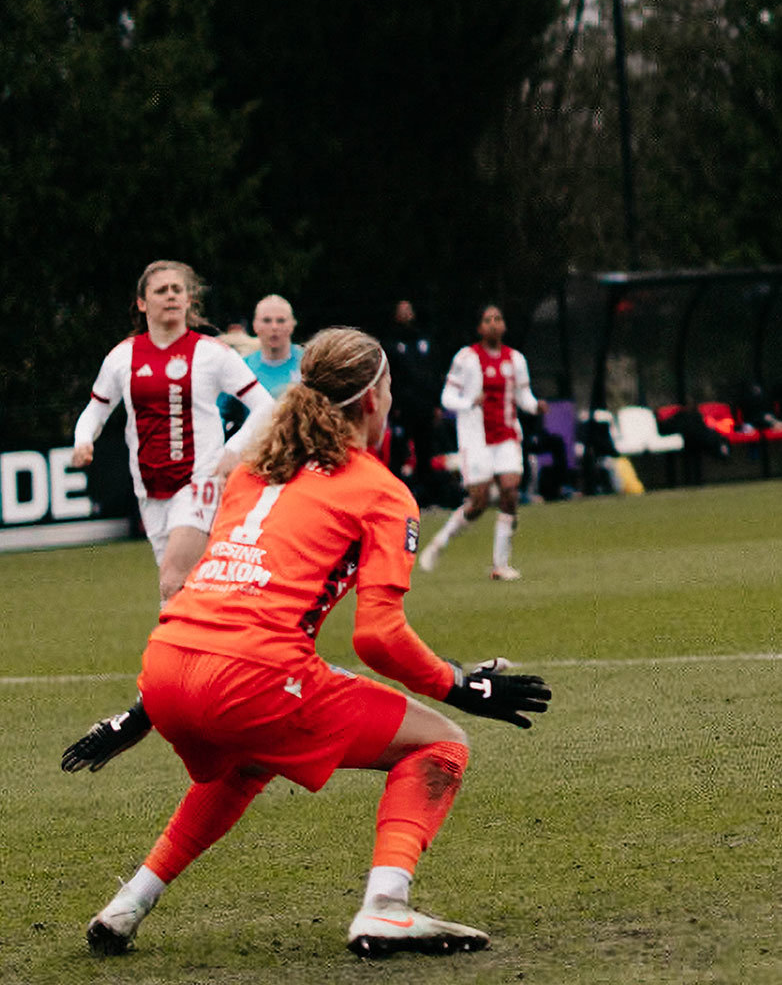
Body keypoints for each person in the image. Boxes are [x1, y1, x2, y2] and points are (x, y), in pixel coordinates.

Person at [76, 327, 551, 959]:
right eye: (387, 388)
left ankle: (128, 904)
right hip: (248, 675)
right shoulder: (380, 490)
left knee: (251, 756)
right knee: (442, 742)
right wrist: (461, 686)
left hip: (165, 671)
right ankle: (386, 906)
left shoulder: (252, 474)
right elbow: (378, 635)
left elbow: (220, 598)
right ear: (374, 401)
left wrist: (138, 715)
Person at [72, 262, 278, 604]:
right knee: (185, 592)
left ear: (188, 300)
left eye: (176, 290)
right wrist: (82, 441)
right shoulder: (122, 357)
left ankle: (166, 655)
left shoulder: (212, 353)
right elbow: (96, 408)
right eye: (160, 290)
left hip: (200, 481)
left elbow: (265, 406)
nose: (170, 296)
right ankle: (209, 648)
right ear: (142, 303)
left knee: (172, 580)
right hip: (149, 487)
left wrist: (234, 450)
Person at [417, 305, 546, 580]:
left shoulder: (516, 360)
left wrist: (536, 407)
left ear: (504, 326)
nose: (493, 324)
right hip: (476, 439)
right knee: (479, 502)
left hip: (507, 435)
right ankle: (440, 542)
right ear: (479, 328)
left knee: (510, 492)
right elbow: (447, 397)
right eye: (488, 320)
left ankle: (500, 564)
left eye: (498, 319)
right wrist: (468, 402)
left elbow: (524, 397)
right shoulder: (466, 358)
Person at [383, 300, 442, 502]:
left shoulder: (423, 341)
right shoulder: (391, 345)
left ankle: (426, 497)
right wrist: (394, 406)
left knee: (425, 451)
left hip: (424, 406)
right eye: (402, 311)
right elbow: (390, 378)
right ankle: (394, 497)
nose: (407, 315)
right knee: (398, 453)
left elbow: (432, 373)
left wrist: (436, 404)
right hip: (403, 409)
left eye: (409, 310)